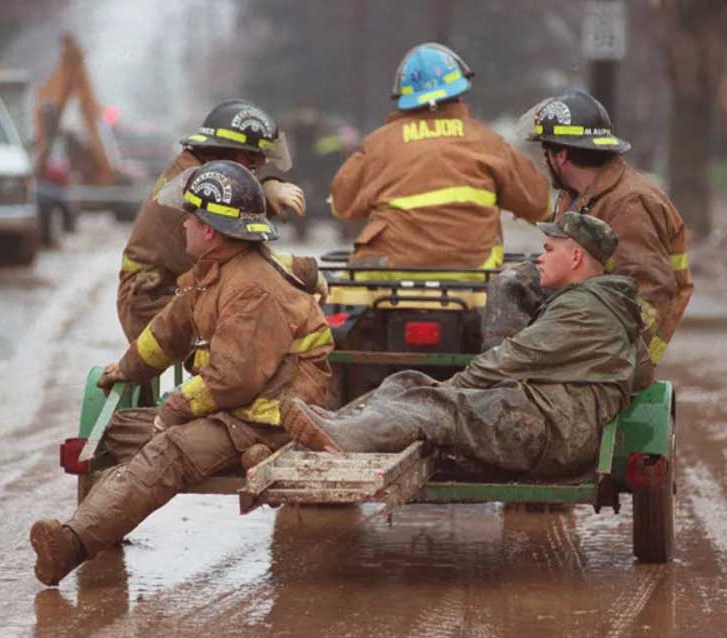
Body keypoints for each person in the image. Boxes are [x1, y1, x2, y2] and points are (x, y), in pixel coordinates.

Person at [30, 161, 334, 587]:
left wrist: (173, 410)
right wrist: (128, 367)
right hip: (241, 406)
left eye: (190, 217)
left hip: (269, 413)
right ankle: (232, 462)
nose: (183, 225)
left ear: (210, 230)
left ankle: (71, 543)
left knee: (168, 450)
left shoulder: (250, 287)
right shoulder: (210, 273)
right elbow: (167, 332)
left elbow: (233, 381)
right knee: (118, 432)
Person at [282, 213, 645, 478]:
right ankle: (341, 425)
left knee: (435, 403)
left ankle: (345, 437)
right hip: (550, 414)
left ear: (577, 257)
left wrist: (447, 389)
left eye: (549, 250)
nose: (540, 257)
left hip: (555, 431)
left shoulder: (586, 309)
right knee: (407, 382)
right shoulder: (595, 302)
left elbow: (510, 360)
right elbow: (640, 371)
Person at [483, 89, 693, 367]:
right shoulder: (575, 195)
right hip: (587, 309)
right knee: (512, 283)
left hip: (617, 345)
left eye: (546, 152)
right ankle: (501, 374)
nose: (544, 161)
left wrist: (616, 365)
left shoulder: (631, 205)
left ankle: (514, 379)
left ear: (562, 156)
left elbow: (647, 298)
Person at [329, 42, 550, 271]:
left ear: (405, 97)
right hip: (472, 275)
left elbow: (341, 206)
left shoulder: (379, 144)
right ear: (458, 93)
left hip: (390, 276)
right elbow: (539, 205)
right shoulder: (488, 143)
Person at [118, 98, 320, 342]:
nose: (260, 165)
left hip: (162, 290)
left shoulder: (197, 174)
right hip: (152, 299)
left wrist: (265, 188)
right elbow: (236, 253)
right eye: (253, 158)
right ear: (228, 151)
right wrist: (304, 271)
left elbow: (229, 212)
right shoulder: (192, 184)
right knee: (262, 328)